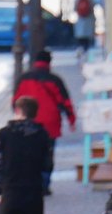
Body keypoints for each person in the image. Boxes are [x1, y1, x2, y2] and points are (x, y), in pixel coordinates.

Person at [12, 50, 76, 195]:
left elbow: (14, 101)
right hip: (50, 124)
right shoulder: (54, 79)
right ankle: (44, 185)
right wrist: (72, 120)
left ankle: (30, 183)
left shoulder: (23, 78)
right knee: (47, 153)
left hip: (26, 122)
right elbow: (65, 102)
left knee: (27, 153)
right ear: (49, 63)